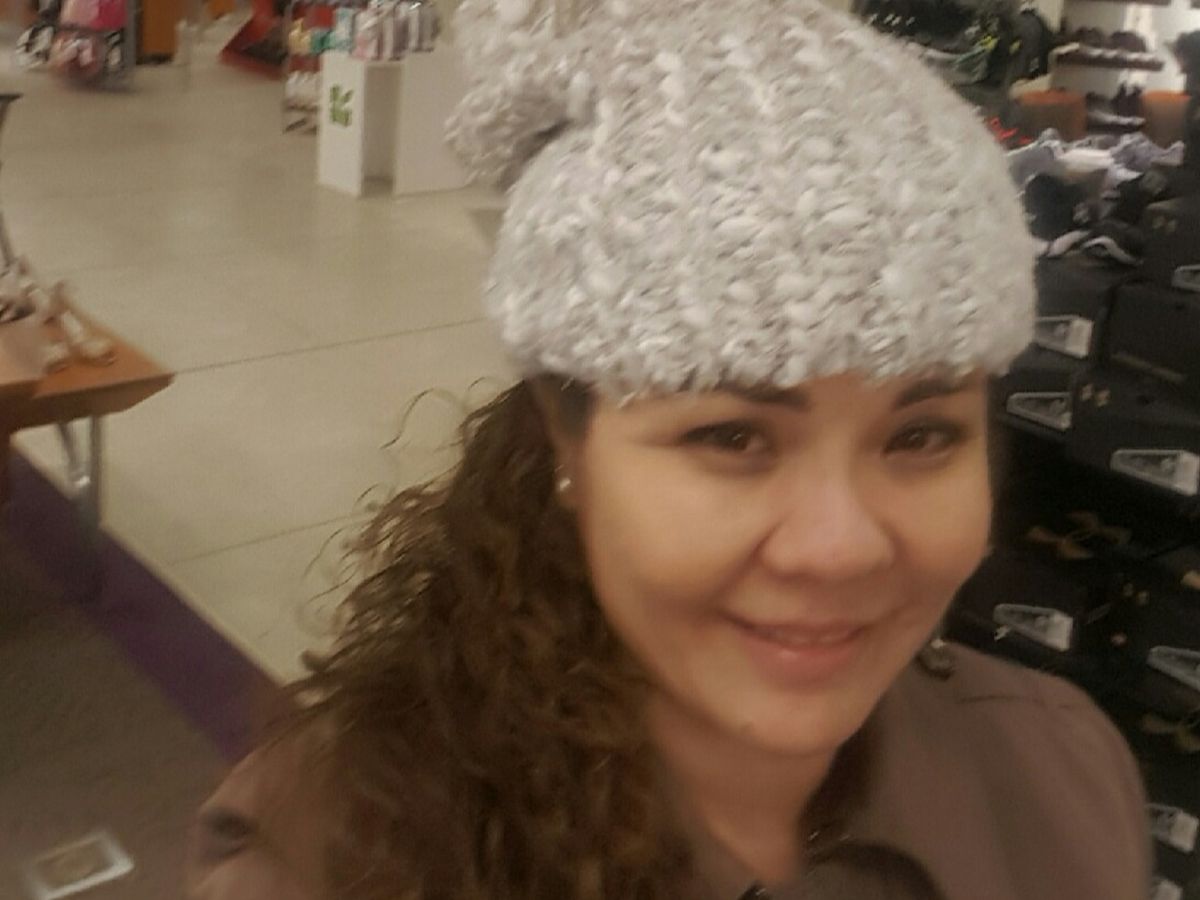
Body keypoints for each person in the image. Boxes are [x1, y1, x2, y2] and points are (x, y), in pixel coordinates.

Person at [186, 0, 1153, 898]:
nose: (840, 547)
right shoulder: (329, 855)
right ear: (564, 440)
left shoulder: (1063, 778)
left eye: (921, 435)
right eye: (732, 436)